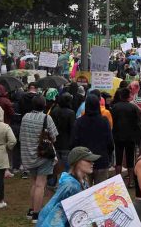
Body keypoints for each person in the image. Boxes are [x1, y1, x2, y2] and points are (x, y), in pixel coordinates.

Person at [37, 147, 100, 226]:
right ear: (77, 162)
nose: (92, 163)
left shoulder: (83, 181)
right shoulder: (71, 186)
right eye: (88, 160)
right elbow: (57, 215)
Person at [20, 95, 58, 223]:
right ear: (44, 104)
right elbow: (54, 136)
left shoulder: (25, 117)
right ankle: (36, 214)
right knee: (40, 185)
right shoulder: (47, 118)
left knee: (34, 183)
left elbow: (21, 136)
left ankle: (31, 210)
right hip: (43, 156)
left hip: (28, 155)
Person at [71, 94, 114, 185]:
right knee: (101, 192)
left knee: (85, 191)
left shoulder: (79, 122)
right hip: (102, 160)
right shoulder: (104, 121)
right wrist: (109, 156)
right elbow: (110, 141)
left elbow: (74, 142)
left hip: (83, 161)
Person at [111, 88, 141, 187]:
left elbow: (112, 122)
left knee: (118, 158)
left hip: (118, 136)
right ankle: (131, 181)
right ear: (128, 96)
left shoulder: (114, 107)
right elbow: (137, 122)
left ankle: (118, 182)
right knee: (130, 159)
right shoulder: (133, 108)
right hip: (130, 137)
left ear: (120, 96)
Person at [49, 92, 75, 183]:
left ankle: (52, 182)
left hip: (55, 141)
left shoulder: (54, 111)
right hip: (66, 143)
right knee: (67, 165)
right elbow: (72, 129)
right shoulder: (71, 113)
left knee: (54, 164)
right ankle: (65, 182)